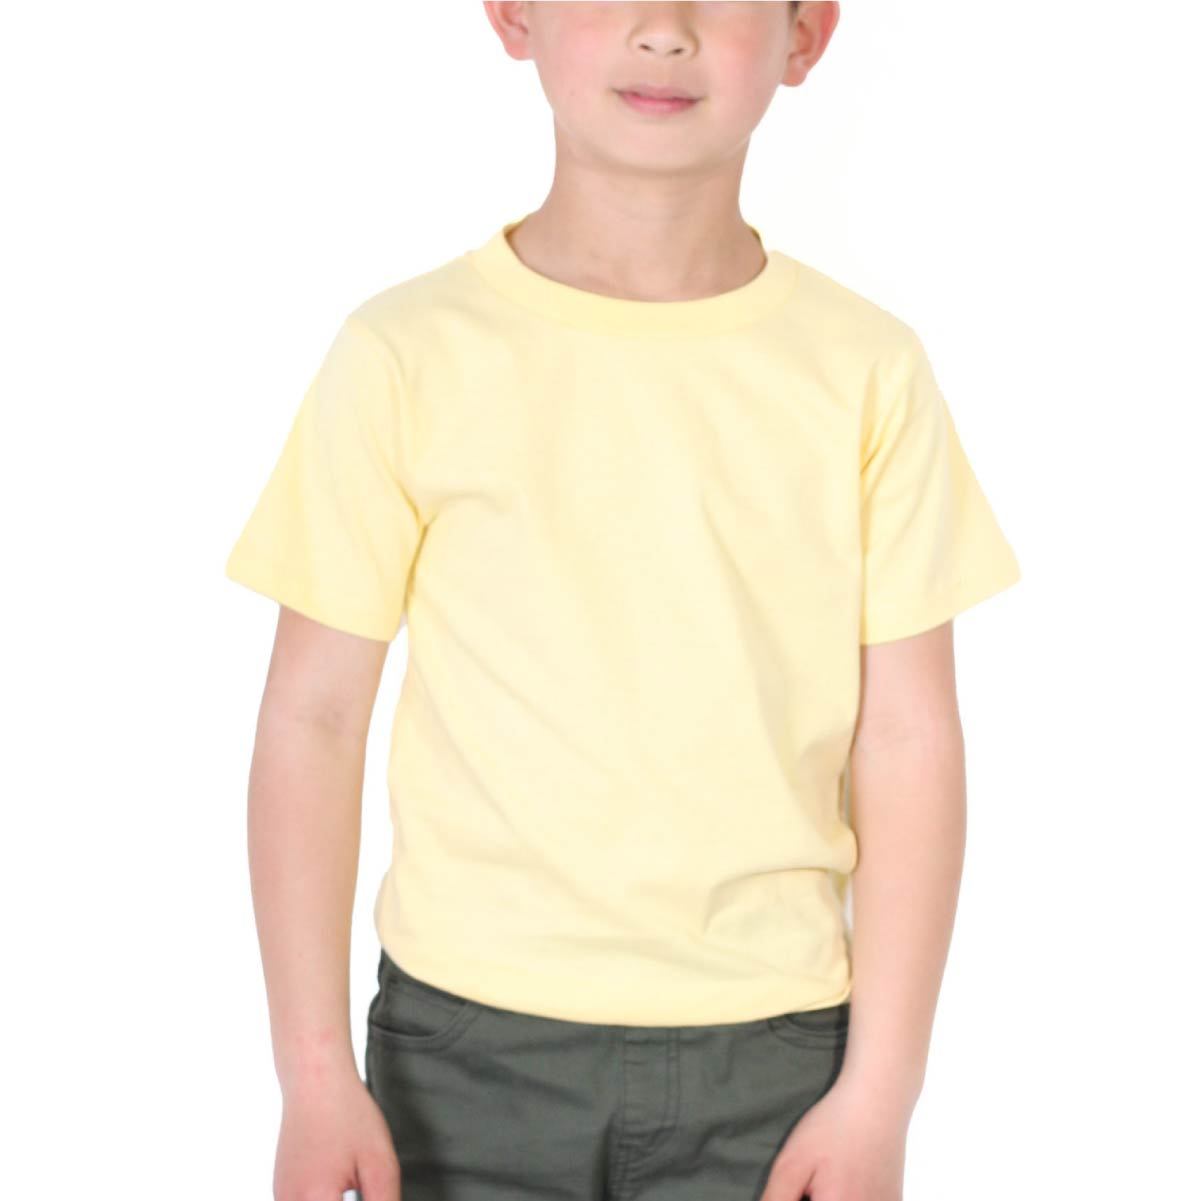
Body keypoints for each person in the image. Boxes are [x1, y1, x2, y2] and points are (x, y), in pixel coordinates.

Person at [225, 4, 1021, 1200]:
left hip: (775, 1055)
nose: (663, 29)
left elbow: (909, 738)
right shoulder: (405, 352)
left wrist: (879, 1095)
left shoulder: (866, 370)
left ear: (805, 35)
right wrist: (312, 1074)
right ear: (515, 13)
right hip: (464, 1052)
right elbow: (313, 719)